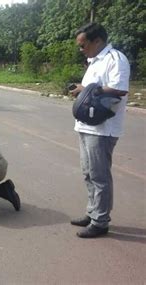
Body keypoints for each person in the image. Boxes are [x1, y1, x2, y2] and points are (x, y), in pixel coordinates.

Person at [69, 23, 130, 238]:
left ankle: (101, 221)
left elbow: (120, 89)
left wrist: (87, 89)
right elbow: (94, 89)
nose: (81, 49)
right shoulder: (94, 61)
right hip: (86, 125)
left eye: (83, 45)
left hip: (103, 129)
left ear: (97, 41)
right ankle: (92, 212)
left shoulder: (115, 59)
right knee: (88, 173)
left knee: (99, 175)